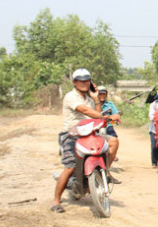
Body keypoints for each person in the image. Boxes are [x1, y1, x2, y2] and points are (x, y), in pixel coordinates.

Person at [51, 69, 121, 213]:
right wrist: (107, 117)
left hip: (90, 133)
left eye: (87, 81)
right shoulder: (71, 97)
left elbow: (96, 114)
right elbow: (86, 111)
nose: (84, 83)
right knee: (70, 167)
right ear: (75, 82)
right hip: (72, 134)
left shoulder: (89, 99)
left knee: (113, 141)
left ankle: (104, 171)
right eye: (81, 81)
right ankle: (56, 201)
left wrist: (96, 100)